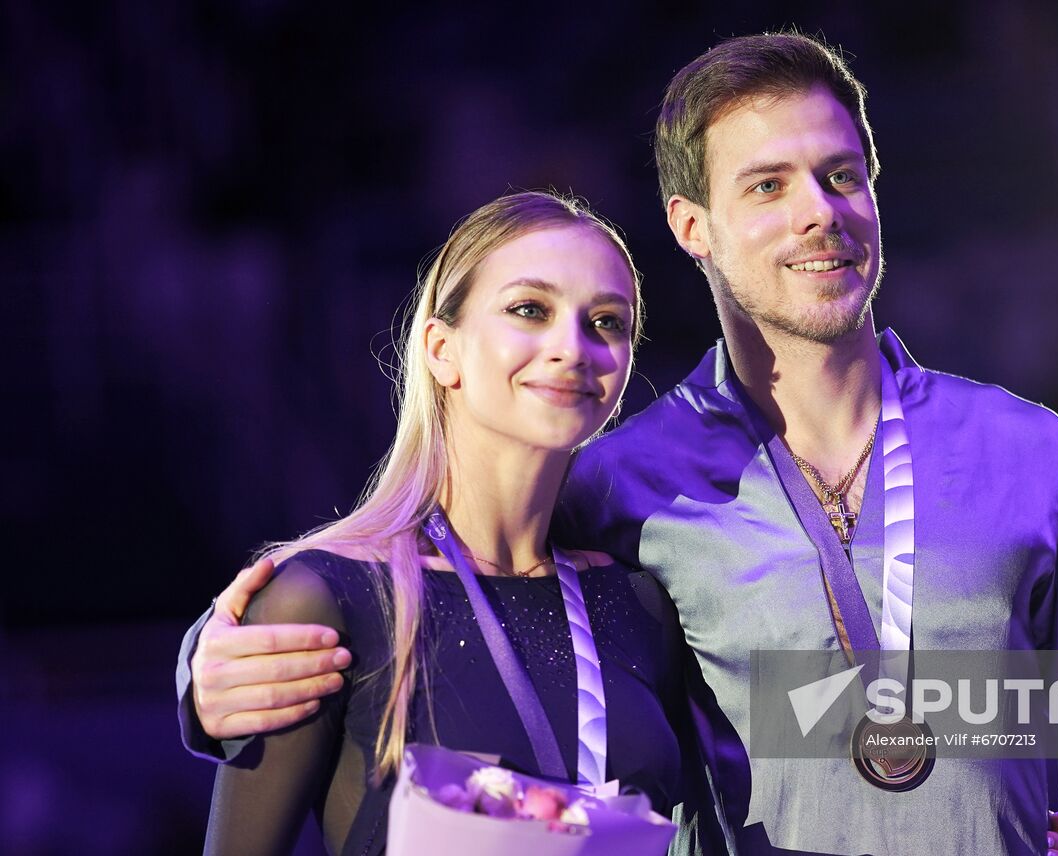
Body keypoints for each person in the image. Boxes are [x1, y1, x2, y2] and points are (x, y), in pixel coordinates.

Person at [180, 33, 1058, 855]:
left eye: (841, 174)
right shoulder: (622, 485)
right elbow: (451, 566)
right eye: (767, 186)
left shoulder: (1029, 452)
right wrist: (205, 668)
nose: (819, 212)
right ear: (691, 225)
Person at [196, 191, 717, 855]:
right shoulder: (324, 599)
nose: (573, 347)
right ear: (443, 350)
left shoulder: (638, 602)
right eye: (530, 310)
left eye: (607, 322)